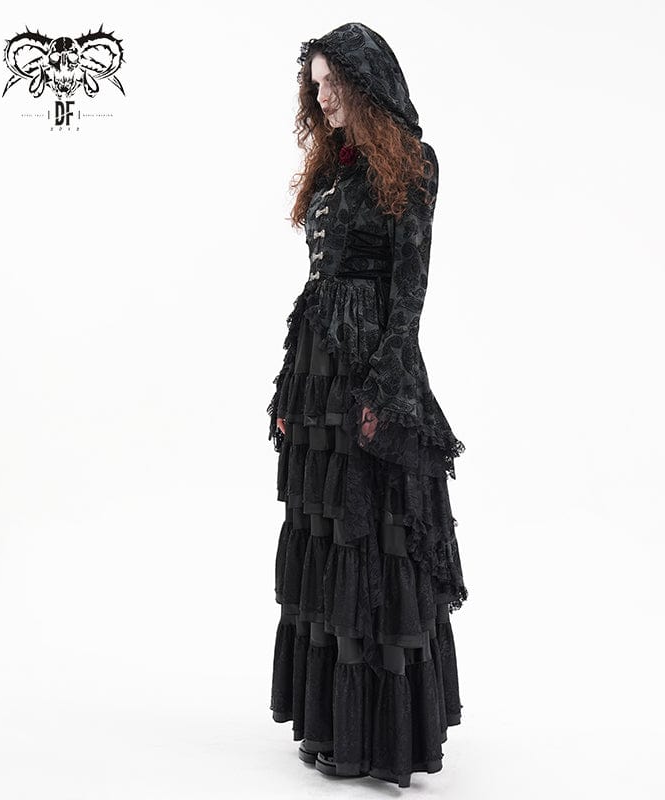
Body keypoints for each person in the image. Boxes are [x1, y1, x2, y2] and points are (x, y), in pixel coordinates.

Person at [266, 21, 468, 788]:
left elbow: (409, 292)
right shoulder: (329, 169)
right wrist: (290, 389)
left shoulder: (413, 161)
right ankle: (330, 726)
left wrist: (384, 388)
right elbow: (315, 288)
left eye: (333, 82)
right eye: (315, 86)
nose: (322, 97)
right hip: (317, 373)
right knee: (326, 535)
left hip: (371, 369)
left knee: (374, 536)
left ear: (368, 79)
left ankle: (383, 740)